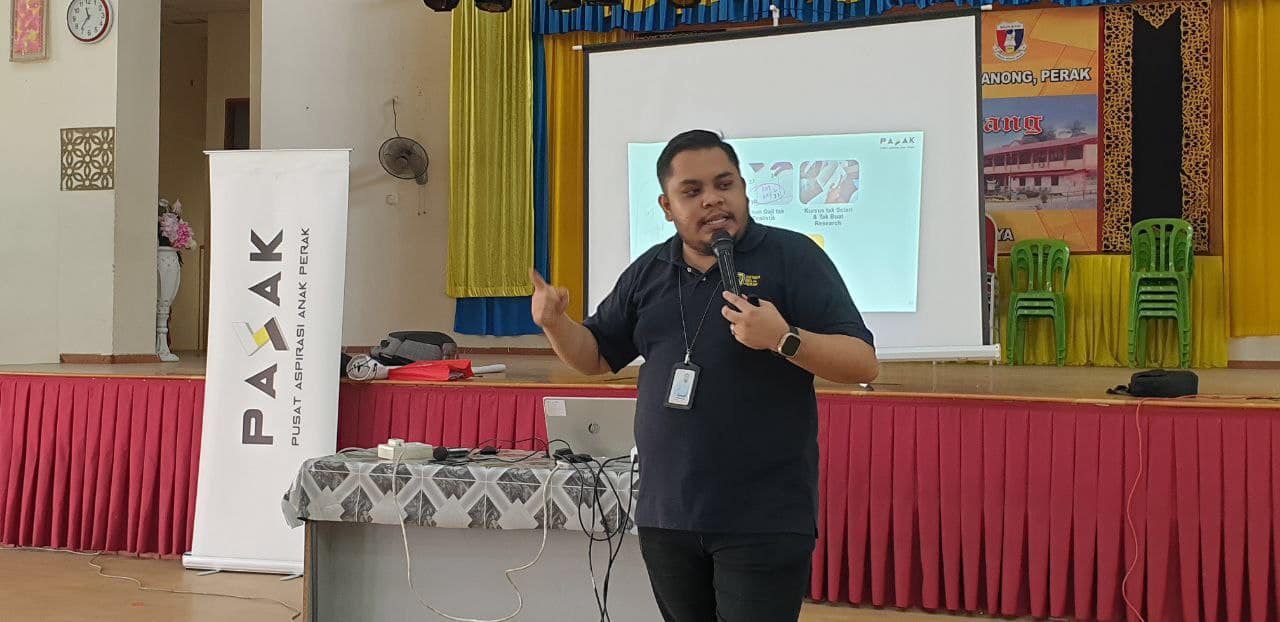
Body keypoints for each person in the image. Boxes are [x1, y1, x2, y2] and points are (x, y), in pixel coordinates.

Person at [529, 129, 879, 622]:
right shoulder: (649, 271)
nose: (713, 199)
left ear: (744, 190)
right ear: (667, 206)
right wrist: (555, 324)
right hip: (667, 514)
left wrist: (784, 338)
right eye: (692, 191)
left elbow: (863, 362)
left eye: (724, 184)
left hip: (763, 517)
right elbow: (596, 357)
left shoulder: (793, 257)